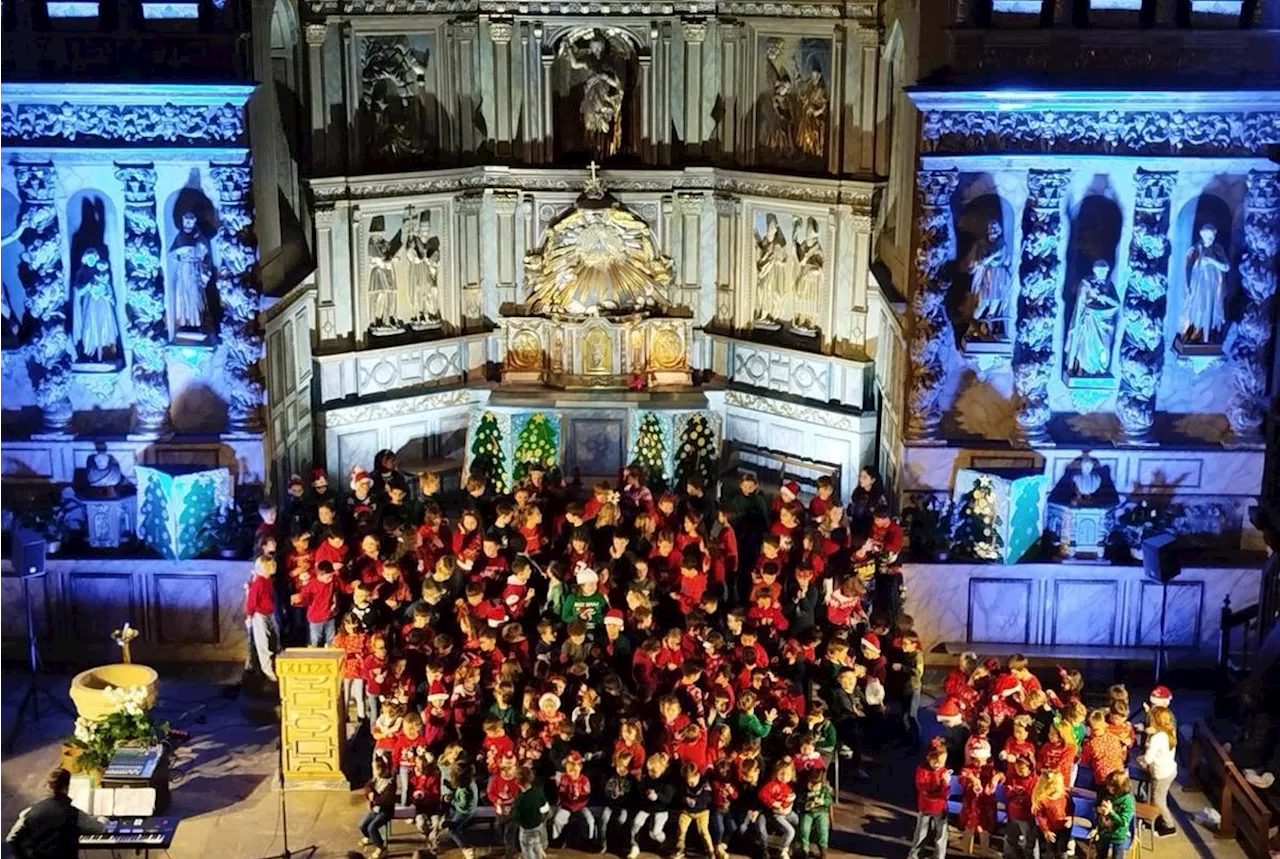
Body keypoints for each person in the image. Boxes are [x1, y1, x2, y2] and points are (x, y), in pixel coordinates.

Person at [6, 768, 104, 859]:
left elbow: (11, 839)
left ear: (49, 786)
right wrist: (103, 819)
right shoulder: (74, 813)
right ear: (66, 788)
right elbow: (98, 828)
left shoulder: (30, 812)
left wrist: (23, 856)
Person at [1137, 705, 1178, 836]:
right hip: (1170, 769)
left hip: (1161, 773)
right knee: (1156, 797)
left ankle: (1169, 825)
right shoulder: (1169, 732)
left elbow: (1148, 759)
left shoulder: (1157, 738)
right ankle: (1153, 820)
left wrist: (1139, 759)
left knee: (1158, 800)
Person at [907, 740, 950, 859]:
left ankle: (939, 856)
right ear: (928, 758)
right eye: (935, 762)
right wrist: (939, 783)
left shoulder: (943, 771)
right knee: (921, 832)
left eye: (941, 763)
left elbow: (945, 792)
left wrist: (945, 782)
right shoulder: (922, 770)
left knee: (941, 835)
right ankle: (915, 855)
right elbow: (922, 786)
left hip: (940, 807)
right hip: (926, 806)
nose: (938, 765)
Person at [358, 757, 397, 859]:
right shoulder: (375, 779)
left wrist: (373, 800)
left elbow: (386, 799)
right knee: (362, 825)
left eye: (375, 769)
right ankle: (371, 838)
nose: (373, 772)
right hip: (374, 809)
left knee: (372, 827)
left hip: (385, 810)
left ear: (380, 769)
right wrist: (369, 792)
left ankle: (381, 848)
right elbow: (367, 786)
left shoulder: (390, 782)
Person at [512, 766, 551, 859]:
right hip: (538, 827)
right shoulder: (538, 792)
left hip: (526, 830)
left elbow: (515, 816)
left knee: (528, 850)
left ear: (517, 782)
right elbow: (546, 808)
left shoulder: (520, 799)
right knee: (536, 845)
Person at [1095, 770, 1135, 859]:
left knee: (1117, 856)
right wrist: (1099, 810)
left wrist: (1111, 813)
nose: (1108, 788)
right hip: (1104, 833)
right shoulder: (1106, 794)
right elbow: (1097, 805)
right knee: (1100, 855)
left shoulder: (1127, 801)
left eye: (1111, 786)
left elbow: (1124, 822)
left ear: (1120, 787)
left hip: (1118, 835)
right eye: (1108, 785)